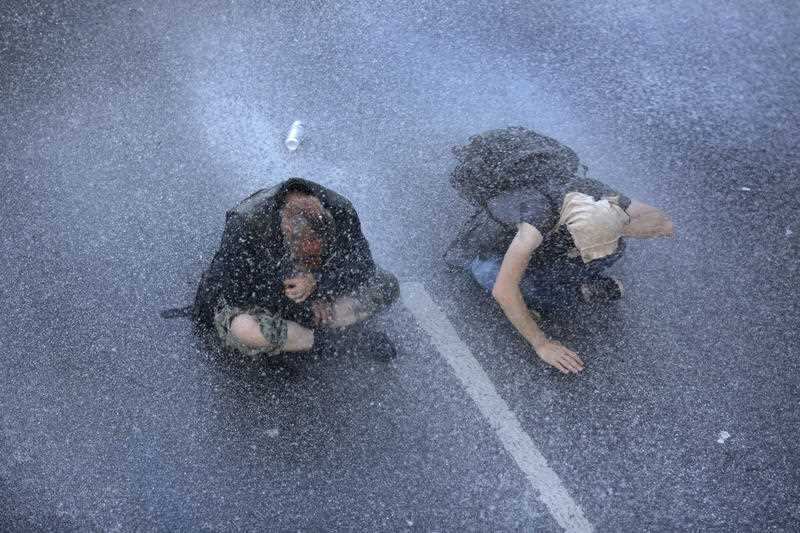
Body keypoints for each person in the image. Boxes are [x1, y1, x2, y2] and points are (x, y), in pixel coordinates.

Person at [445, 127, 674, 374]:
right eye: (582, 247)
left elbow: (664, 223)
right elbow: (504, 290)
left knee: (615, 249)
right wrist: (542, 343)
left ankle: (559, 285)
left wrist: (620, 227)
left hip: (559, 234)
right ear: (569, 232)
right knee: (498, 276)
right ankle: (569, 292)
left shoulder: (597, 195)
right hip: (498, 245)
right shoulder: (534, 223)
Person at [192, 177, 399, 360]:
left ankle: (312, 329)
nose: (312, 257)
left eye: (320, 250)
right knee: (243, 328)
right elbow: (235, 290)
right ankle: (325, 341)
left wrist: (319, 284)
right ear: (287, 230)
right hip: (264, 298)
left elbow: (363, 264)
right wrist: (298, 303)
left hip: (319, 294)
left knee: (387, 285)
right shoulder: (246, 223)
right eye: (307, 254)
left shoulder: (341, 210)